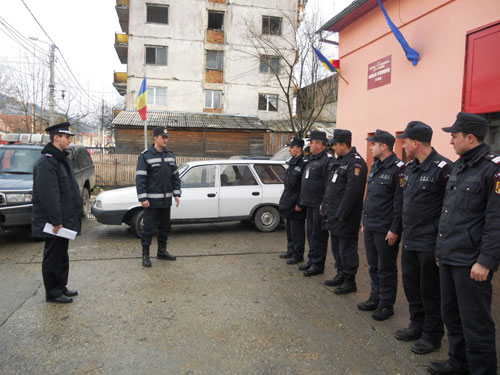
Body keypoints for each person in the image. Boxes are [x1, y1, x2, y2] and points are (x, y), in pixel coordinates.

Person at [427, 113, 500, 375]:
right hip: (450, 256)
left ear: (470, 138)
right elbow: (448, 212)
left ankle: (482, 370)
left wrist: (486, 261)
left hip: (472, 262)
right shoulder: (458, 167)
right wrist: (440, 251)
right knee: (452, 315)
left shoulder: (493, 170)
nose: (450, 141)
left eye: (454, 136)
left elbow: (496, 221)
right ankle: (458, 363)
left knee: (476, 321)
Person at [395, 121, 451, 355]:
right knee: (412, 288)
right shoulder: (411, 168)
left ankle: (432, 335)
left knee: (430, 292)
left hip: (429, 243)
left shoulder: (444, 169)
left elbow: (450, 209)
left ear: (416, 142)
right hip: (410, 239)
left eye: (405, 141)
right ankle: (416, 326)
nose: (403, 145)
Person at [32, 122, 82, 304]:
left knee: (62, 254)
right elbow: (48, 196)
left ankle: (61, 287)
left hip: (63, 219)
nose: (69, 140)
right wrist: (56, 221)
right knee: (53, 256)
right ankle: (52, 292)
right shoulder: (47, 162)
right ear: (56, 138)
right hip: (54, 222)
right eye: (67, 137)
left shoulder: (61, 159)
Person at [359, 130, 404, 320]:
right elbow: (370, 196)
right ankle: (375, 298)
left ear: (383, 146)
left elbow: (399, 202)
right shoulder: (376, 165)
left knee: (386, 268)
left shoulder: (398, 168)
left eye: (373, 144)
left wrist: (395, 228)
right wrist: (364, 221)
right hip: (371, 225)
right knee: (373, 266)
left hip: (386, 229)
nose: (370, 147)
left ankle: (386, 304)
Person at [321, 129, 367, 294]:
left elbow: (352, 192)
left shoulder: (356, 163)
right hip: (333, 214)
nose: (333, 148)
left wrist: (341, 214)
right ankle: (340, 273)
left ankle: (349, 280)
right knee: (336, 248)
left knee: (347, 249)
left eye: (335, 145)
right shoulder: (338, 161)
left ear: (343, 144)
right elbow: (331, 186)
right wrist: (325, 206)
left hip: (345, 217)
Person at [136, 126, 181, 267]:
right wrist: (143, 198)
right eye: (163, 137)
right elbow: (140, 179)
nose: (165, 139)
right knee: (148, 228)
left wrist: (177, 194)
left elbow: (175, 177)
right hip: (151, 202)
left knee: (165, 227)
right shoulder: (146, 156)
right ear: (155, 138)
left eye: (167, 137)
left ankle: (162, 251)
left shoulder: (171, 156)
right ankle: (145, 255)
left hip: (166, 201)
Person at [298, 130, 332, 277]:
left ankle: (318, 264)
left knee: (318, 235)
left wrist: (324, 204)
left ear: (319, 144)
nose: (309, 145)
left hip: (318, 205)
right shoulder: (313, 159)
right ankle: (312, 260)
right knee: (311, 234)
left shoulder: (326, 160)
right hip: (310, 204)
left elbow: (328, 185)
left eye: (311, 143)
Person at [278, 137, 307, 264]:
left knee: (297, 230)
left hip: (296, 200)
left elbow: (303, 186)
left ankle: (298, 254)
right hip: (289, 198)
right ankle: (291, 250)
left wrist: (299, 203)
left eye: (291, 147)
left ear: (299, 149)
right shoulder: (292, 161)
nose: (289, 150)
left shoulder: (304, 163)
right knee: (289, 228)